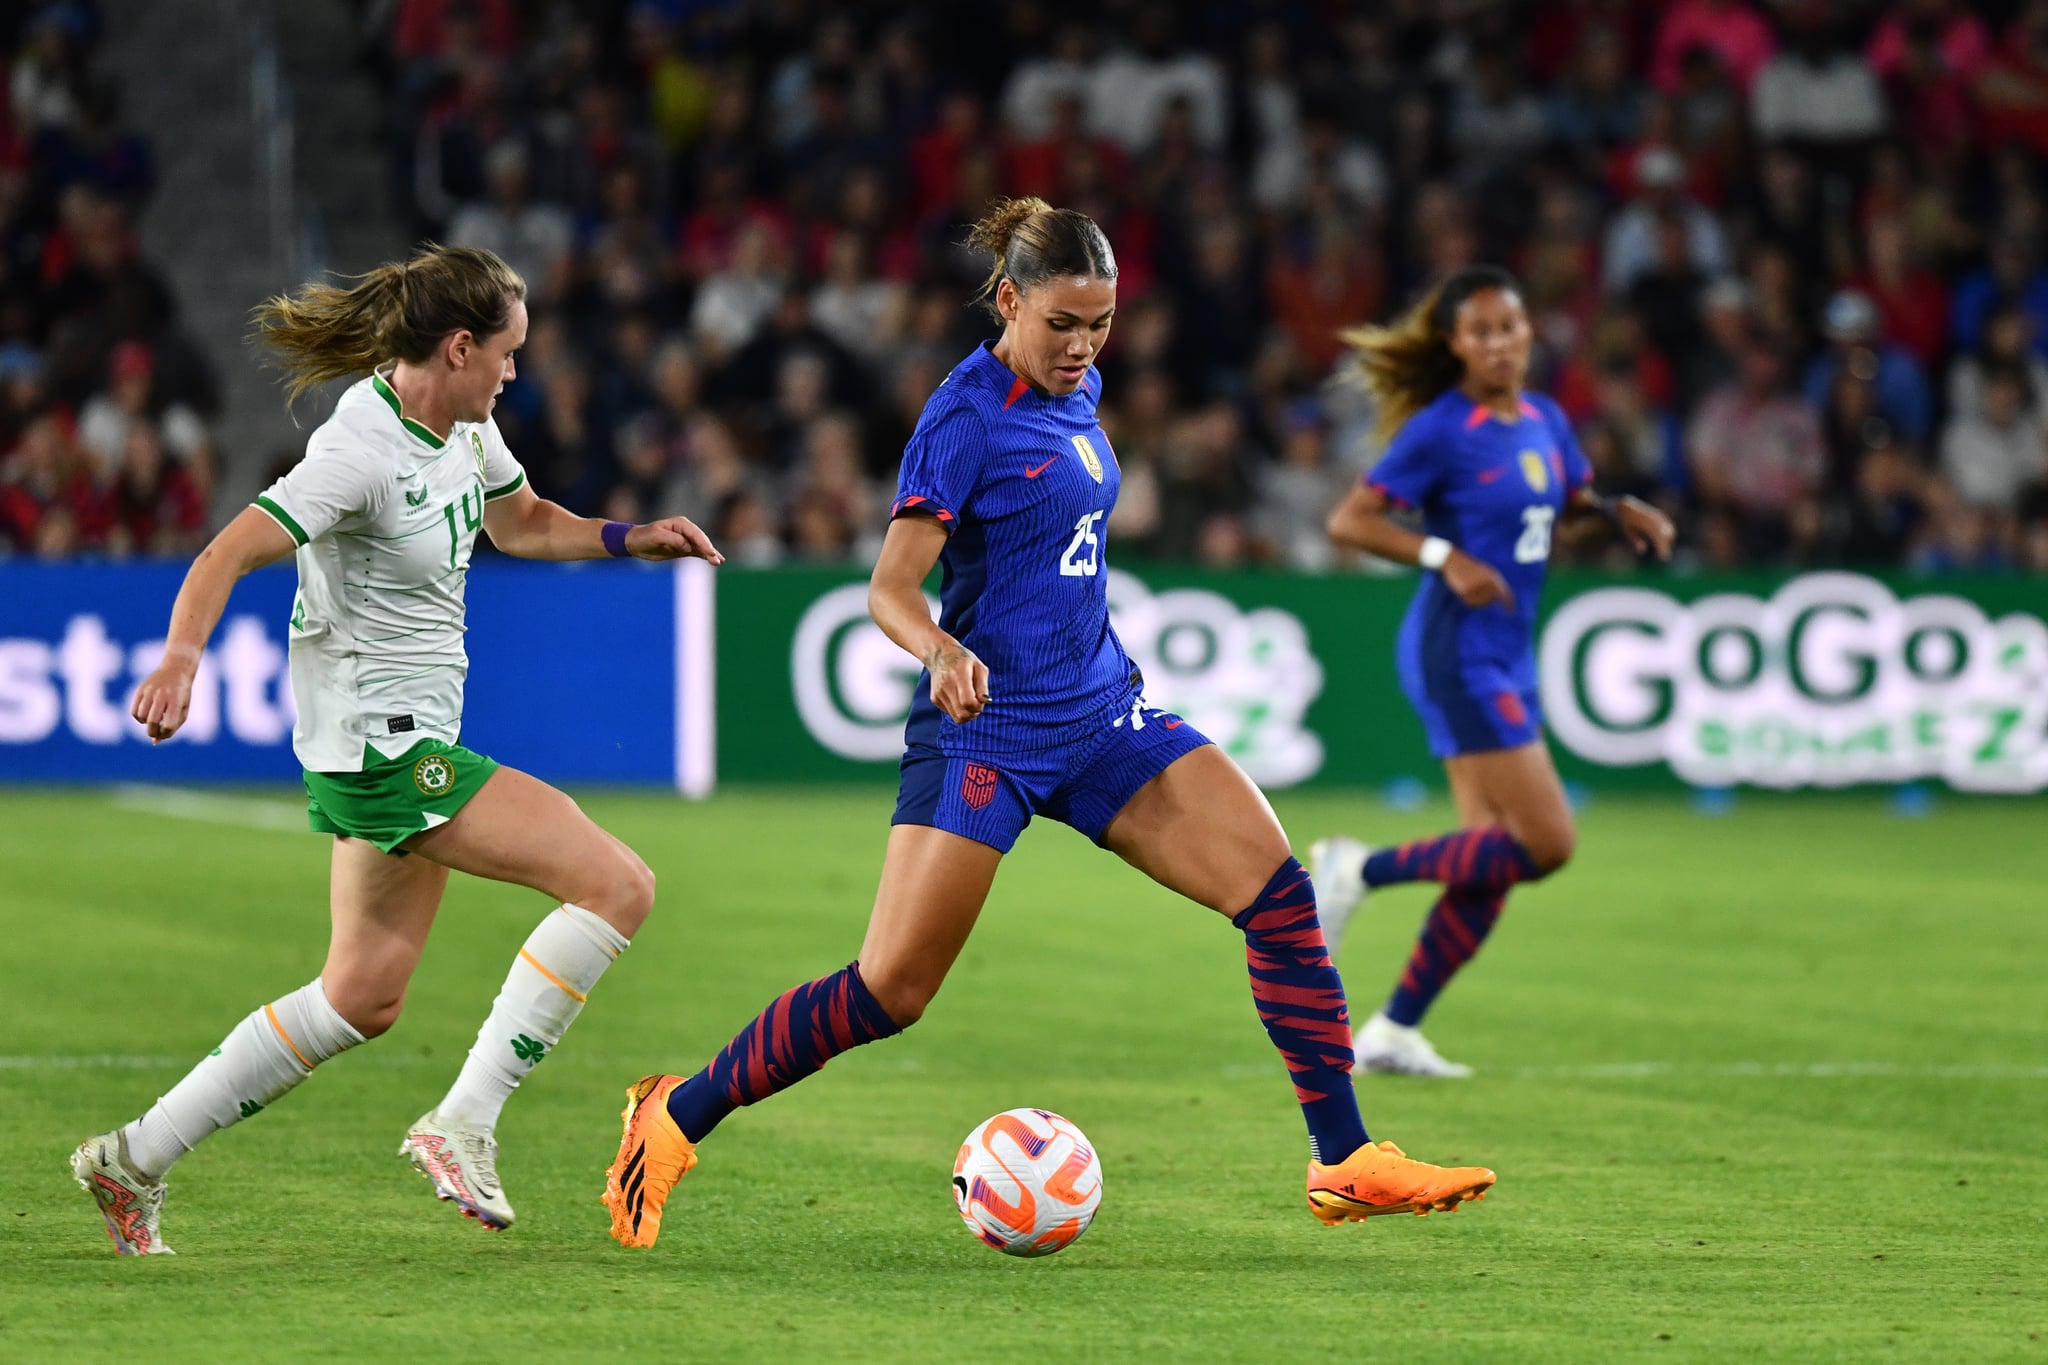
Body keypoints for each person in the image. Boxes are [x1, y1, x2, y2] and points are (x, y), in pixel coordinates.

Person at [599, 199, 1496, 1249]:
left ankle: (1343, 1162)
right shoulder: (962, 417)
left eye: (1100, 324)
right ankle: (672, 1112)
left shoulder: (1082, 390)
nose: (1081, 347)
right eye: (1062, 324)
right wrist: (939, 649)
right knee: (890, 988)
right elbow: (888, 586)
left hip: (1102, 713)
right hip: (988, 734)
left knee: (1277, 894)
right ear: (1010, 300)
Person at [70, 245, 723, 1255]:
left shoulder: (462, 422)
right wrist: (182, 659)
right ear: (458, 347)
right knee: (616, 885)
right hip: (384, 755)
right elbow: (227, 548)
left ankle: (134, 1157)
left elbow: (525, 523)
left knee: (360, 997)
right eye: (506, 351)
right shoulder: (360, 452)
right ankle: (463, 1121)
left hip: (394, 744)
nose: (516, 369)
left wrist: (631, 537)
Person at [1313, 266, 1675, 1078]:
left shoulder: (1544, 419)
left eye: (1509, 326)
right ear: (1454, 344)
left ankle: (1392, 1030)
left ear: (1529, 331)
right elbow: (1352, 519)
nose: (1499, 343)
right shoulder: (1443, 427)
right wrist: (1447, 557)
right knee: (1546, 841)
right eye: (1480, 332)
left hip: (1506, 647)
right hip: (1458, 647)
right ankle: (1355, 866)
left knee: (1488, 854)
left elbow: (1567, 503)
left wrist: (1618, 511)